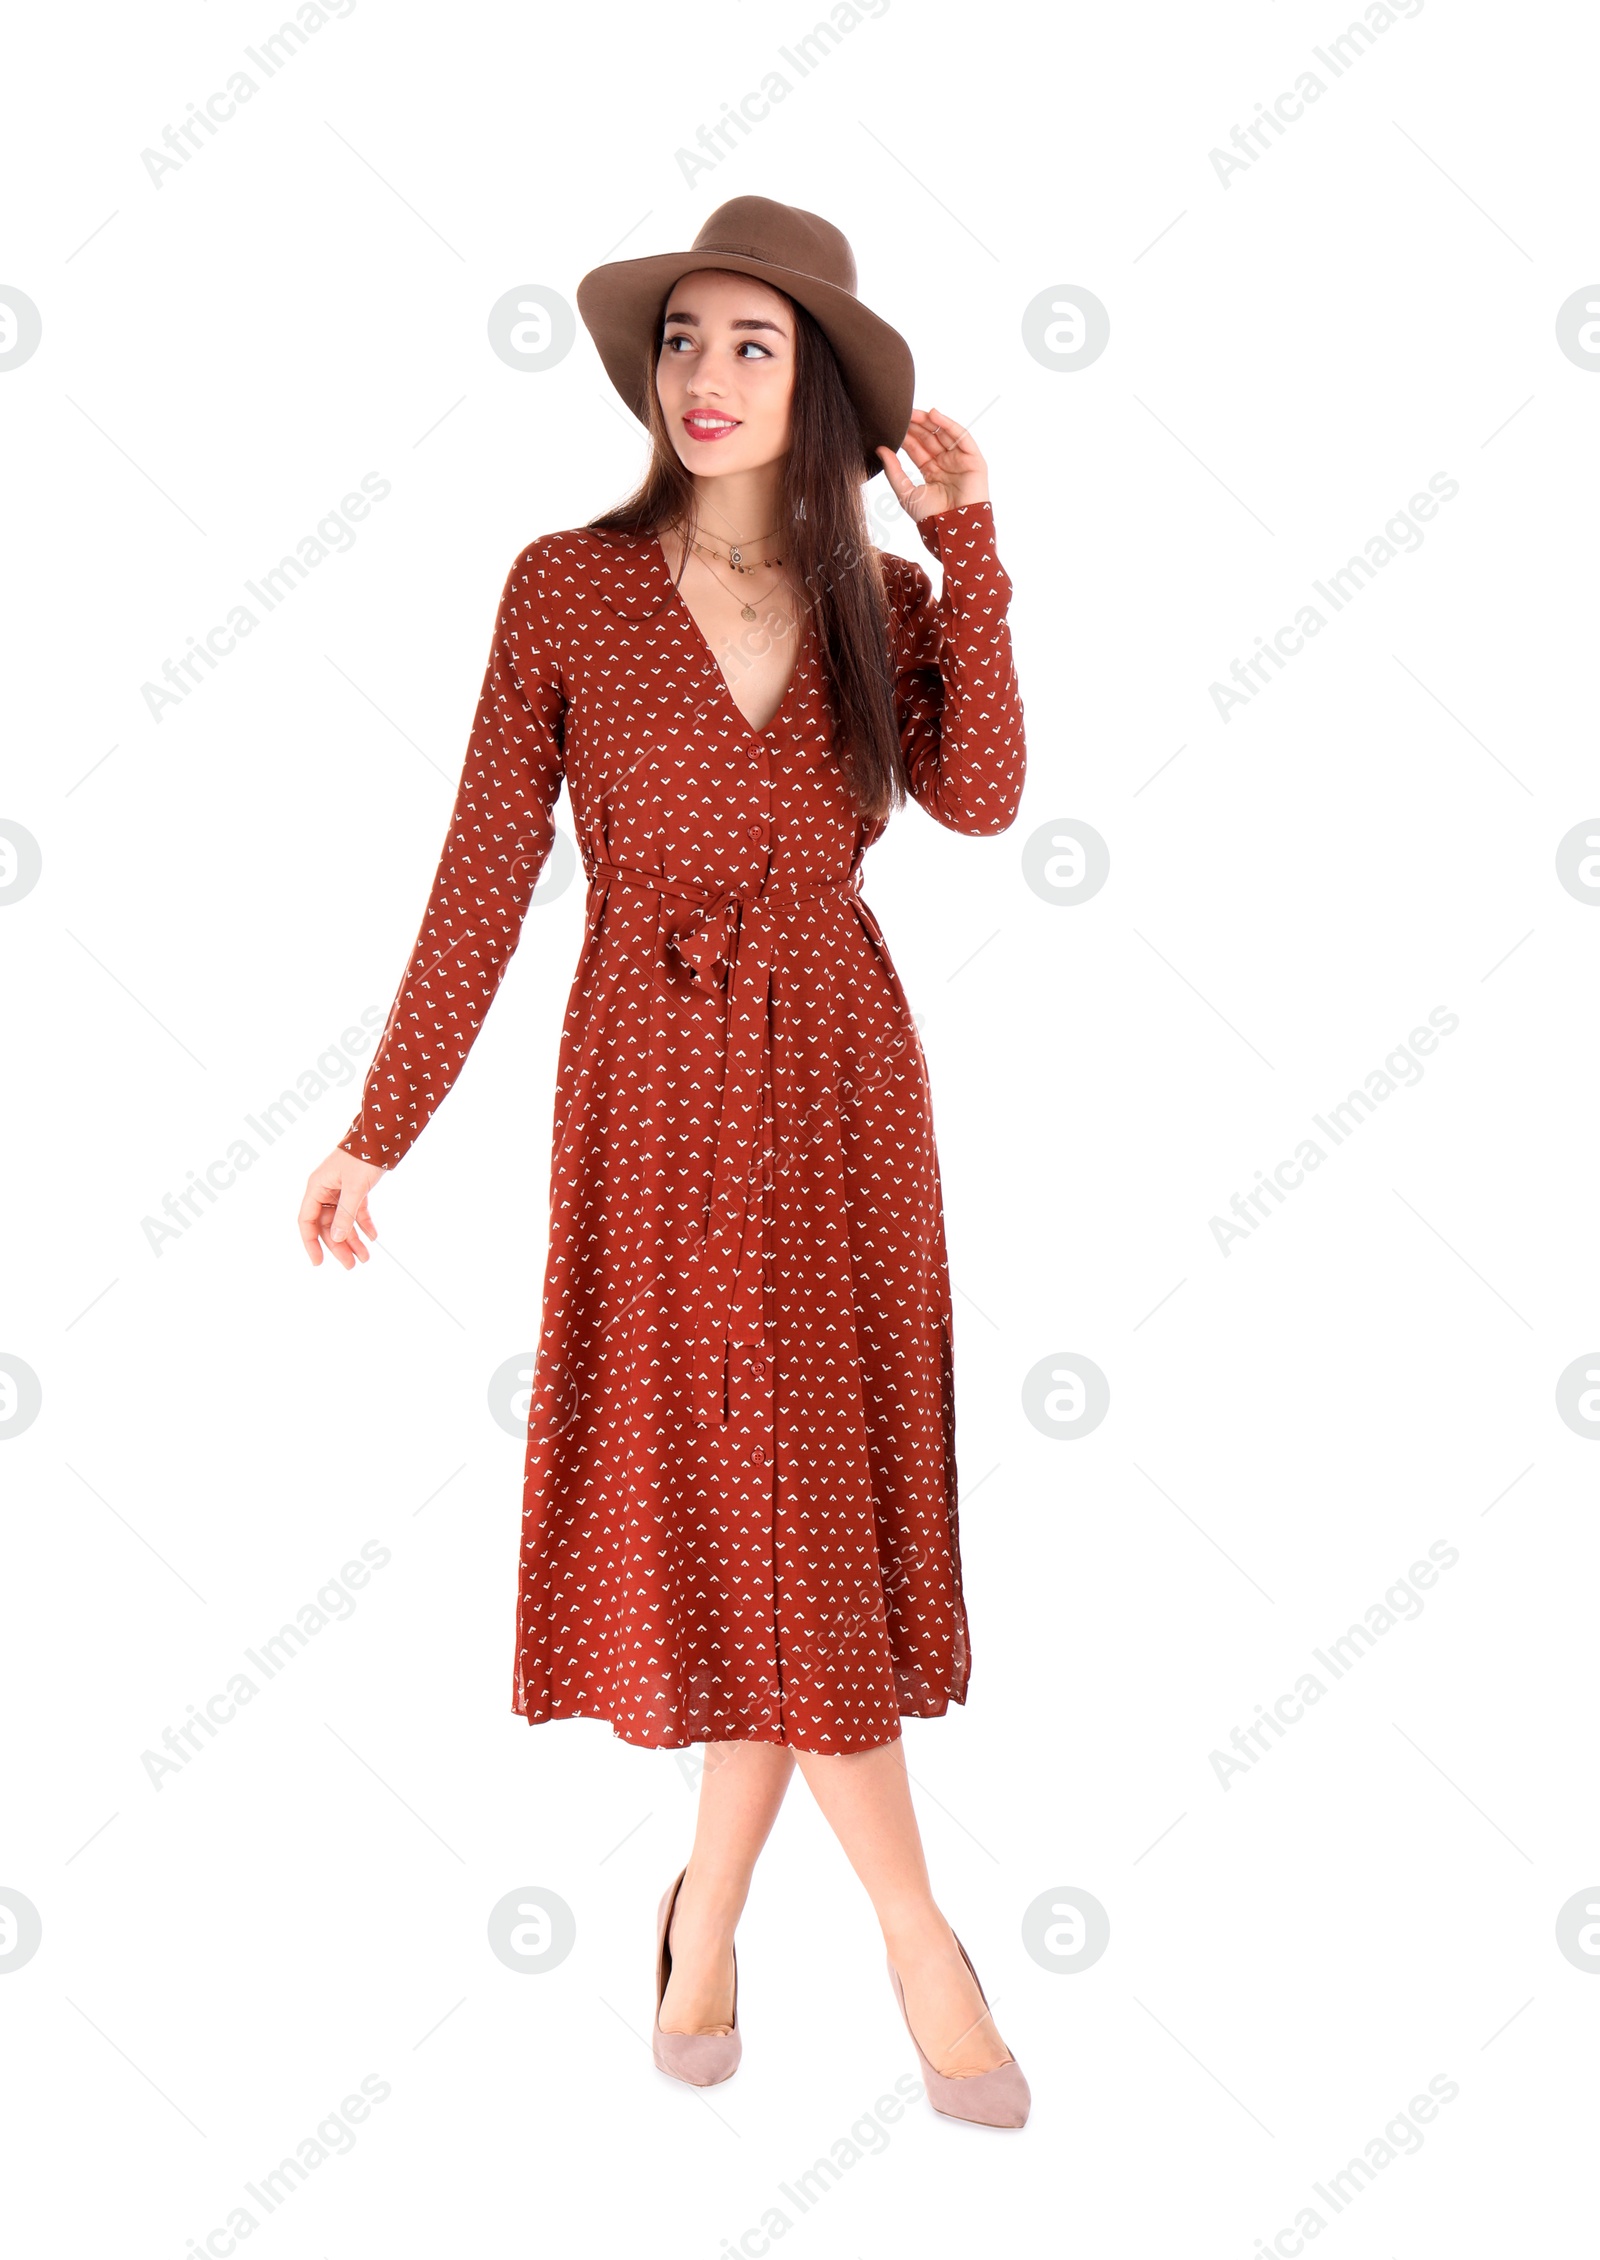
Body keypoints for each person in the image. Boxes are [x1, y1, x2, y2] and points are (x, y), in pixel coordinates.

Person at [296, 197, 1030, 2128]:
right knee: (749, 1503)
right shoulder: (563, 586)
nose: (706, 378)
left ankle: (704, 1912)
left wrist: (970, 549)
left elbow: (981, 798)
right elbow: (481, 868)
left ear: (823, 391)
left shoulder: (879, 588)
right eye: (683, 342)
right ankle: (919, 1936)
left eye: (753, 348)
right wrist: (383, 1126)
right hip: (648, 1086)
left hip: (847, 1086)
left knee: (800, 1507)